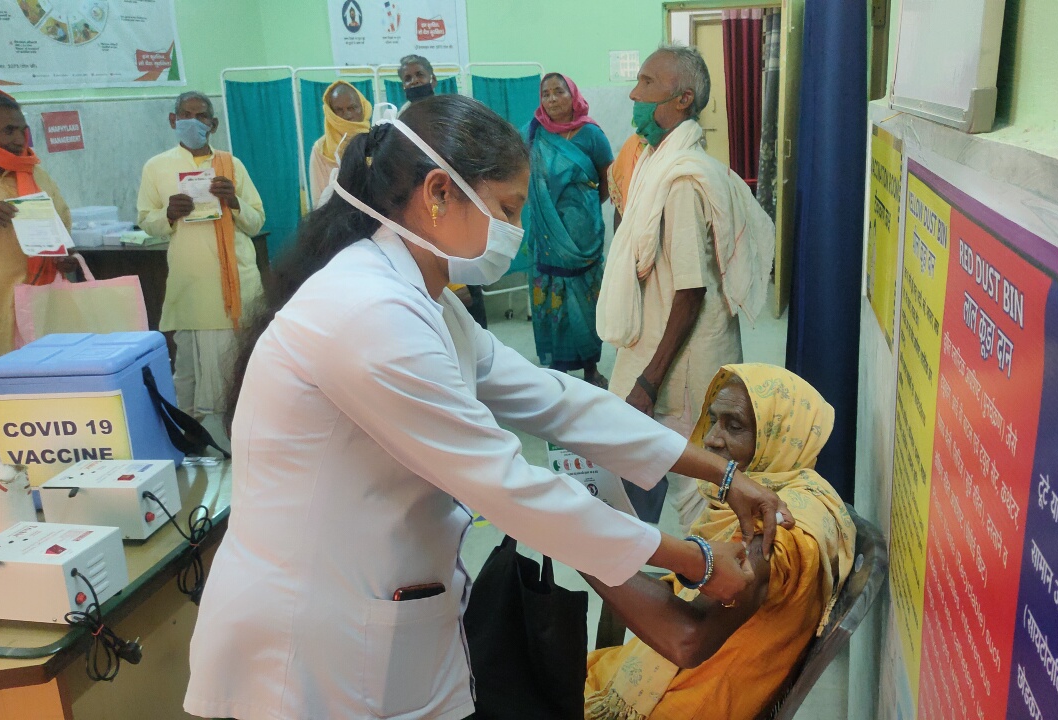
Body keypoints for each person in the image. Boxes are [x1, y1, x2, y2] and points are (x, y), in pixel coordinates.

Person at [183, 95, 794, 720]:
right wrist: (694, 559)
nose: (516, 234)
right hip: (310, 642)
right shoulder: (368, 314)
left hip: (382, 618)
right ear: (439, 193)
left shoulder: (424, 301)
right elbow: (508, 486)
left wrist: (719, 473)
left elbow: (557, 401)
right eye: (507, 210)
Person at [585, 364, 857, 720]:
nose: (712, 438)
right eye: (713, 420)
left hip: (686, 704)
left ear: (782, 435)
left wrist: (581, 546)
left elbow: (689, 637)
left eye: (735, 426)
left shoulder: (779, 531)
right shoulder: (783, 493)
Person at [598, 46, 776, 527]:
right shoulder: (659, 164)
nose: (634, 94)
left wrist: (648, 382)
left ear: (683, 98)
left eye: (647, 83)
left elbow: (690, 292)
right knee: (658, 488)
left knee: (695, 495)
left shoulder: (681, 181)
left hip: (679, 369)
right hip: (662, 354)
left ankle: (712, 589)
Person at [137, 91, 265, 421]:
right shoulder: (156, 167)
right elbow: (146, 222)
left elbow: (257, 221)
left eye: (202, 115)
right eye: (185, 114)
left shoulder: (230, 165)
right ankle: (191, 435)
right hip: (189, 285)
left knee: (232, 367)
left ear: (214, 124)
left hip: (234, 284)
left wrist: (233, 201)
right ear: (172, 120)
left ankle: (231, 433)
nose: (193, 121)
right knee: (187, 370)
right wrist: (168, 214)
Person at [0, 89, 73, 381]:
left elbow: (64, 231)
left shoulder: (35, 175)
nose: (20, 141)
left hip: (44, 316)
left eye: (23, 130)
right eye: (8, 131)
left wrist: (65, 259)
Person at [522, 73, 613, 388]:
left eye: (558, 92)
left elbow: (607, 179)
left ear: (572, 94)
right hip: (546, 234)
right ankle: (556, 369)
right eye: (545, 94)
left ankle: (591, 368)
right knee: (550, 297)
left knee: (585, 301)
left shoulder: (591, 134)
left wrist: (581, 212)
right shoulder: (535, 133)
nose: (551, 99)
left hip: (583, 235)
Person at [398, 54, 487, 328]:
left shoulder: (452, 113)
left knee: (466, 285)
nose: (415, 82)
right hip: (425, 212)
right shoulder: (401, 121)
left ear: (433, 79)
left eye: (419, 76)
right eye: (408, 78)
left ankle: (479, 341)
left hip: (458, 204)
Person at [309, 81, 372, 208]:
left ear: (363, 107)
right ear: (331, 114)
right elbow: (319, 199)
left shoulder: (378, 140)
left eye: (352, 108)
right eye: (339, 110)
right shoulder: (321, 149)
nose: (347, 115)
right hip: (337, 220)